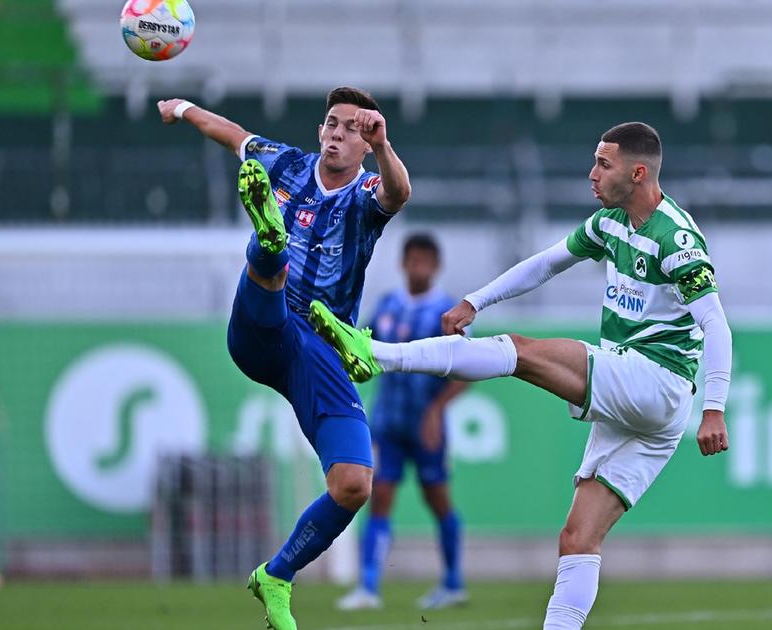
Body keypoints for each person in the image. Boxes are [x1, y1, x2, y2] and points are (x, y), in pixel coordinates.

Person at [310, 122, 732, 630]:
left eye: (604, 164)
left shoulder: (677, 237)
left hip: (657, 381)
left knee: (520, 352)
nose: (592, 174)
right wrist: (476, 300)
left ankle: (379, 354)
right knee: (578, 539)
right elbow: (546, 264)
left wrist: (715, 408)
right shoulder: (611, 222)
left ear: (638, 172)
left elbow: (715, 322)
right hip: (645, 403)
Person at [158, 86, 410, 630]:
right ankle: (267, 240)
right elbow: (231, 134)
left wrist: (385, 146)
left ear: (364, 143)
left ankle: (275, 575)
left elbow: (399, 192)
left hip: (317, 348)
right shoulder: (288, 163)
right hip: (260, 329)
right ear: (320, 130)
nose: (337, 134)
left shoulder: (368, 190)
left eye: (350, 128)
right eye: (330, 124)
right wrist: (181, 109)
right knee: (273, 259)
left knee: (353, 483)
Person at [336, 233, 469, 612]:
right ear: (404, 263)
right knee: (379, 497)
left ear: (436, 266)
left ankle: (453, 582)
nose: (419, 266)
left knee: (438, 499)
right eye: (414, 259)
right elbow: (361, 349)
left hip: (426, 427)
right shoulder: (387, 306)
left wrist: (436, 411)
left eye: (426, 260)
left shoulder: (446, 312)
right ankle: (368, 587)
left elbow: (464, 371)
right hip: (388, 423)